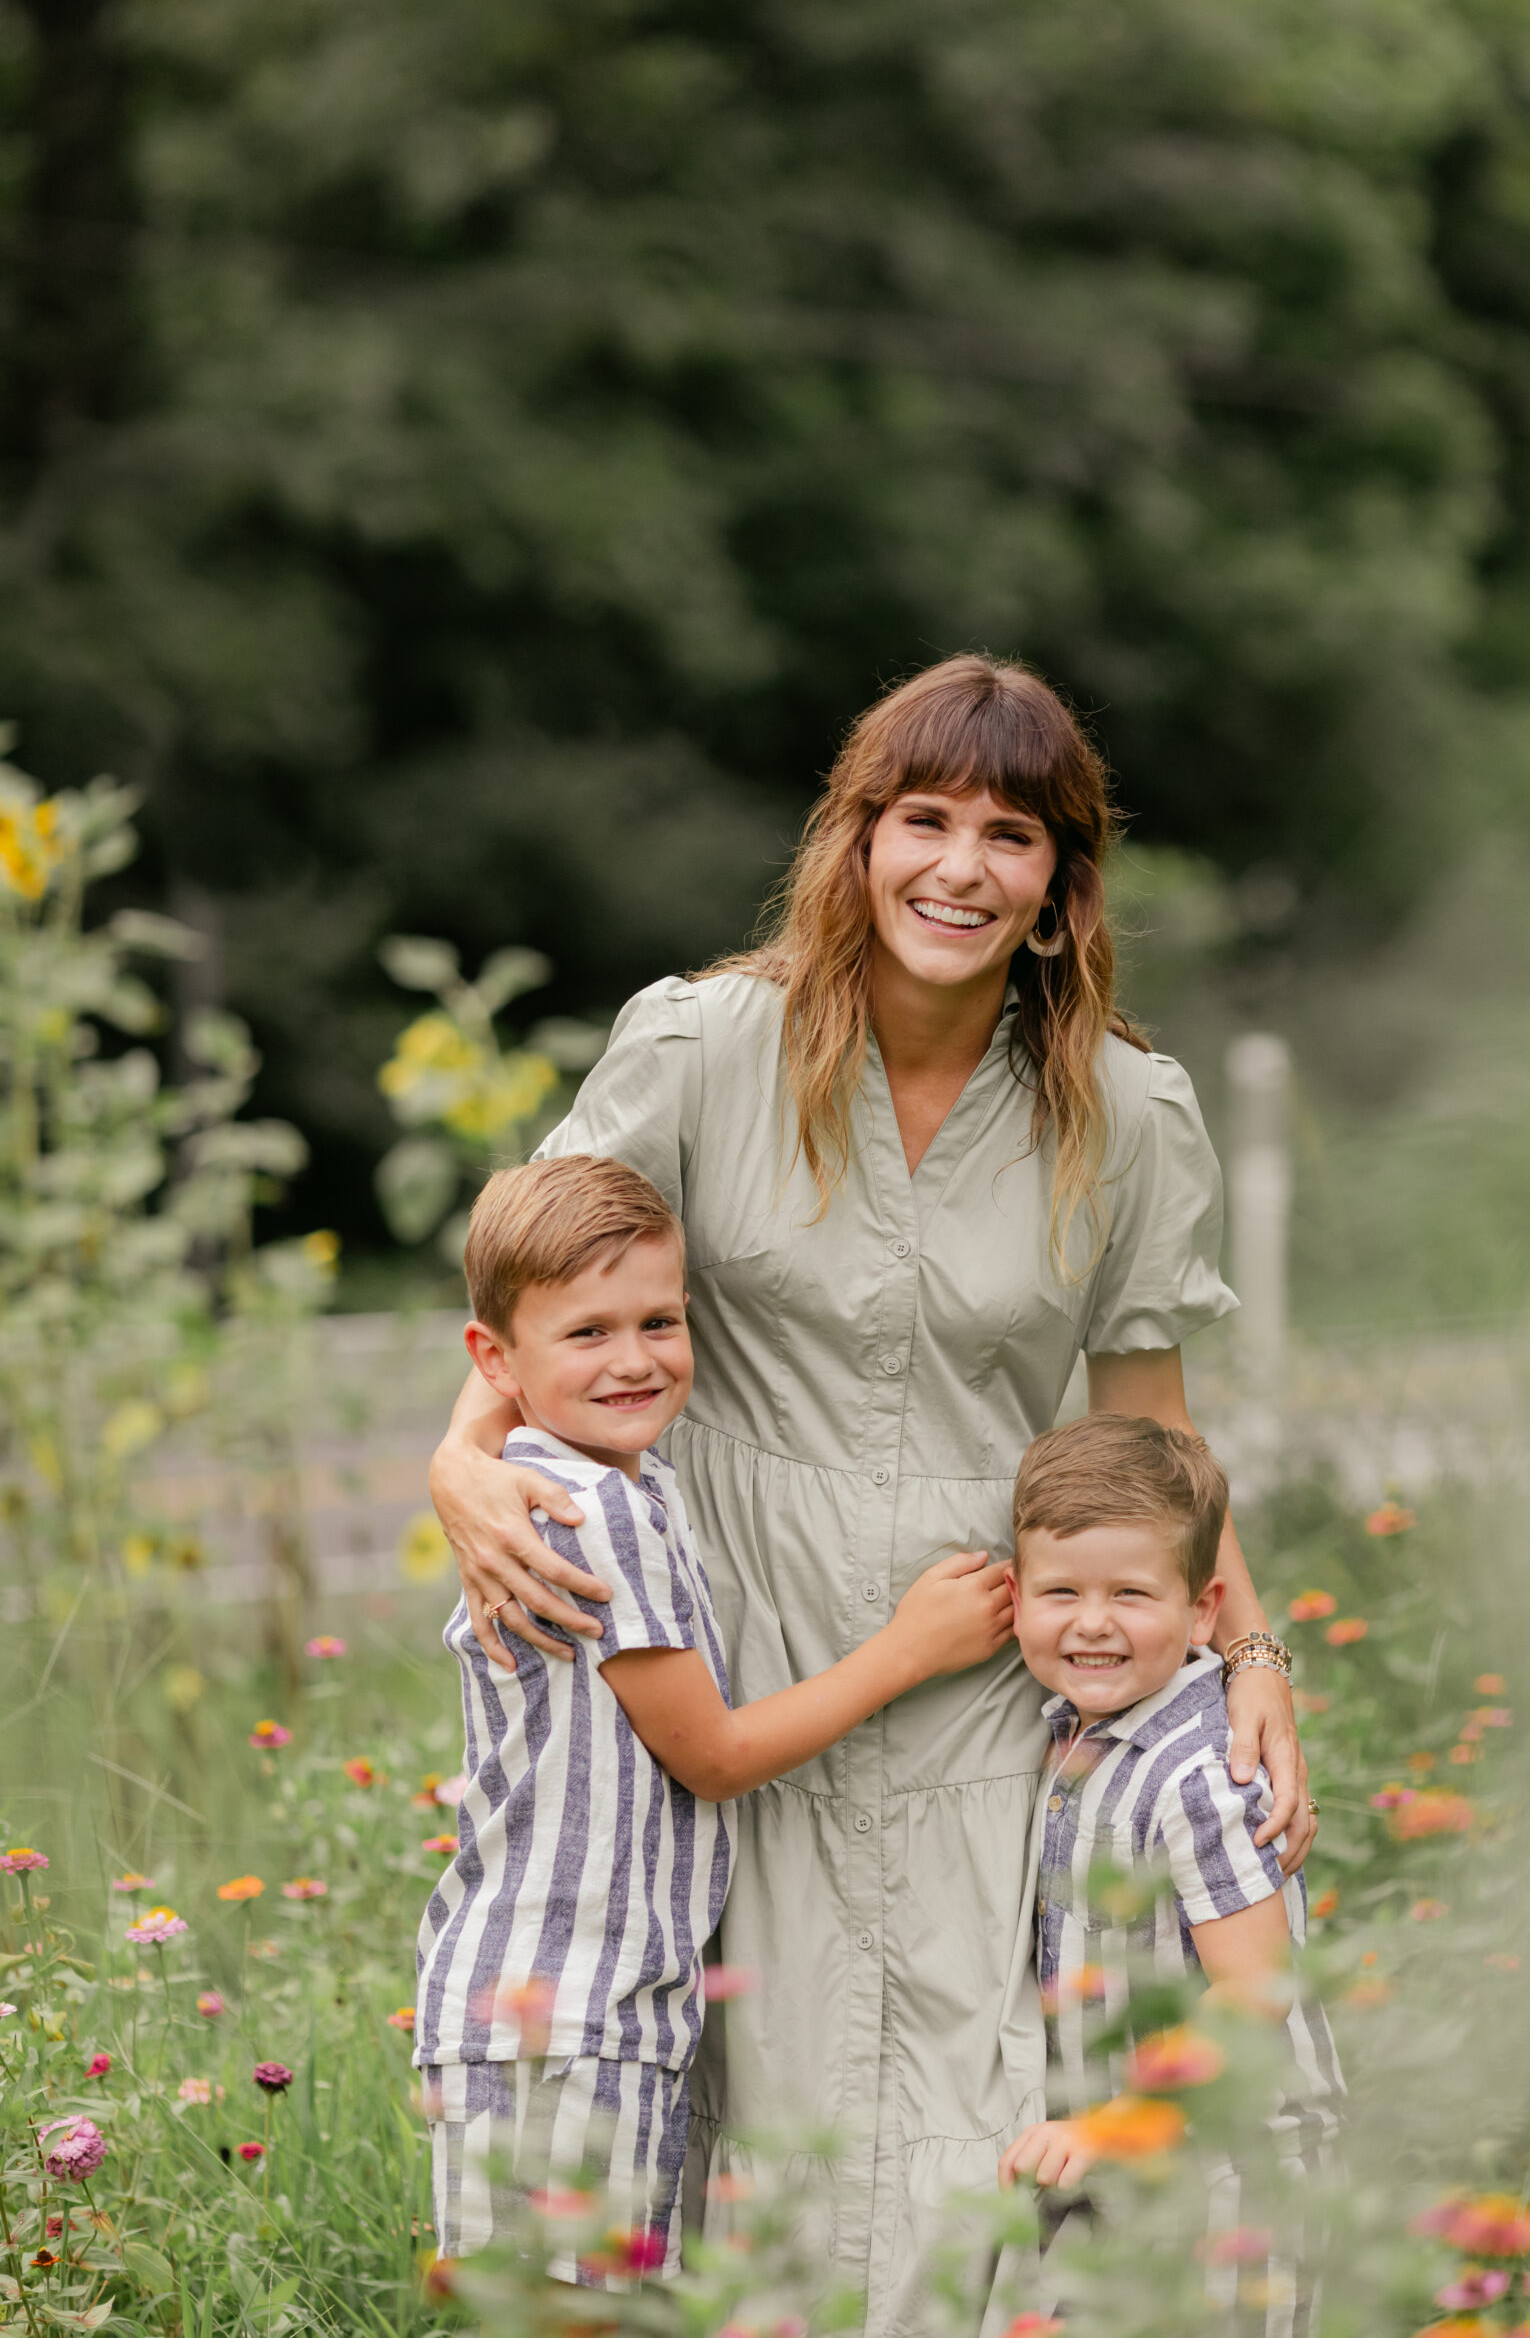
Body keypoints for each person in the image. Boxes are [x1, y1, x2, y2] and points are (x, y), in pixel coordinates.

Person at [426, 654, 1314, 2334]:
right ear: (855, 839)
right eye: (921, 820)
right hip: (727, 1647)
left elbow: (1151, 1435)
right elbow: (552, 1289)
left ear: (1059, 888)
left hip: (979, 1649)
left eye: (1011, 835)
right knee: (748, 2094)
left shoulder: (1128, 1112)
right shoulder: (699, 1047)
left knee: (971, 2100)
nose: (959, 870)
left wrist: (1247, 1661)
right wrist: (457, 1457)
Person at [415, 1153, 1012, 2280]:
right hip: (563, 2011)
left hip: (587, 2004)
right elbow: (717, 1756)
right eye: (587, 1333)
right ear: (495, 1360)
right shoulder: (590, 1509)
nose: (636, 1360)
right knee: (571, 2312)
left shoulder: (622, 1481)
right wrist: (908, 1650)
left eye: (659, 1320)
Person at [997, 1415, 1342, 2331]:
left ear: (1201, 1610)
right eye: (1060, 1591)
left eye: (1131, 1594)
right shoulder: (1069, 1735)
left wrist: (1113, 2127)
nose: (1092, 1622)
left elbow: (1255, 1989)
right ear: (1014, 1595)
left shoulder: (1200, 1775)